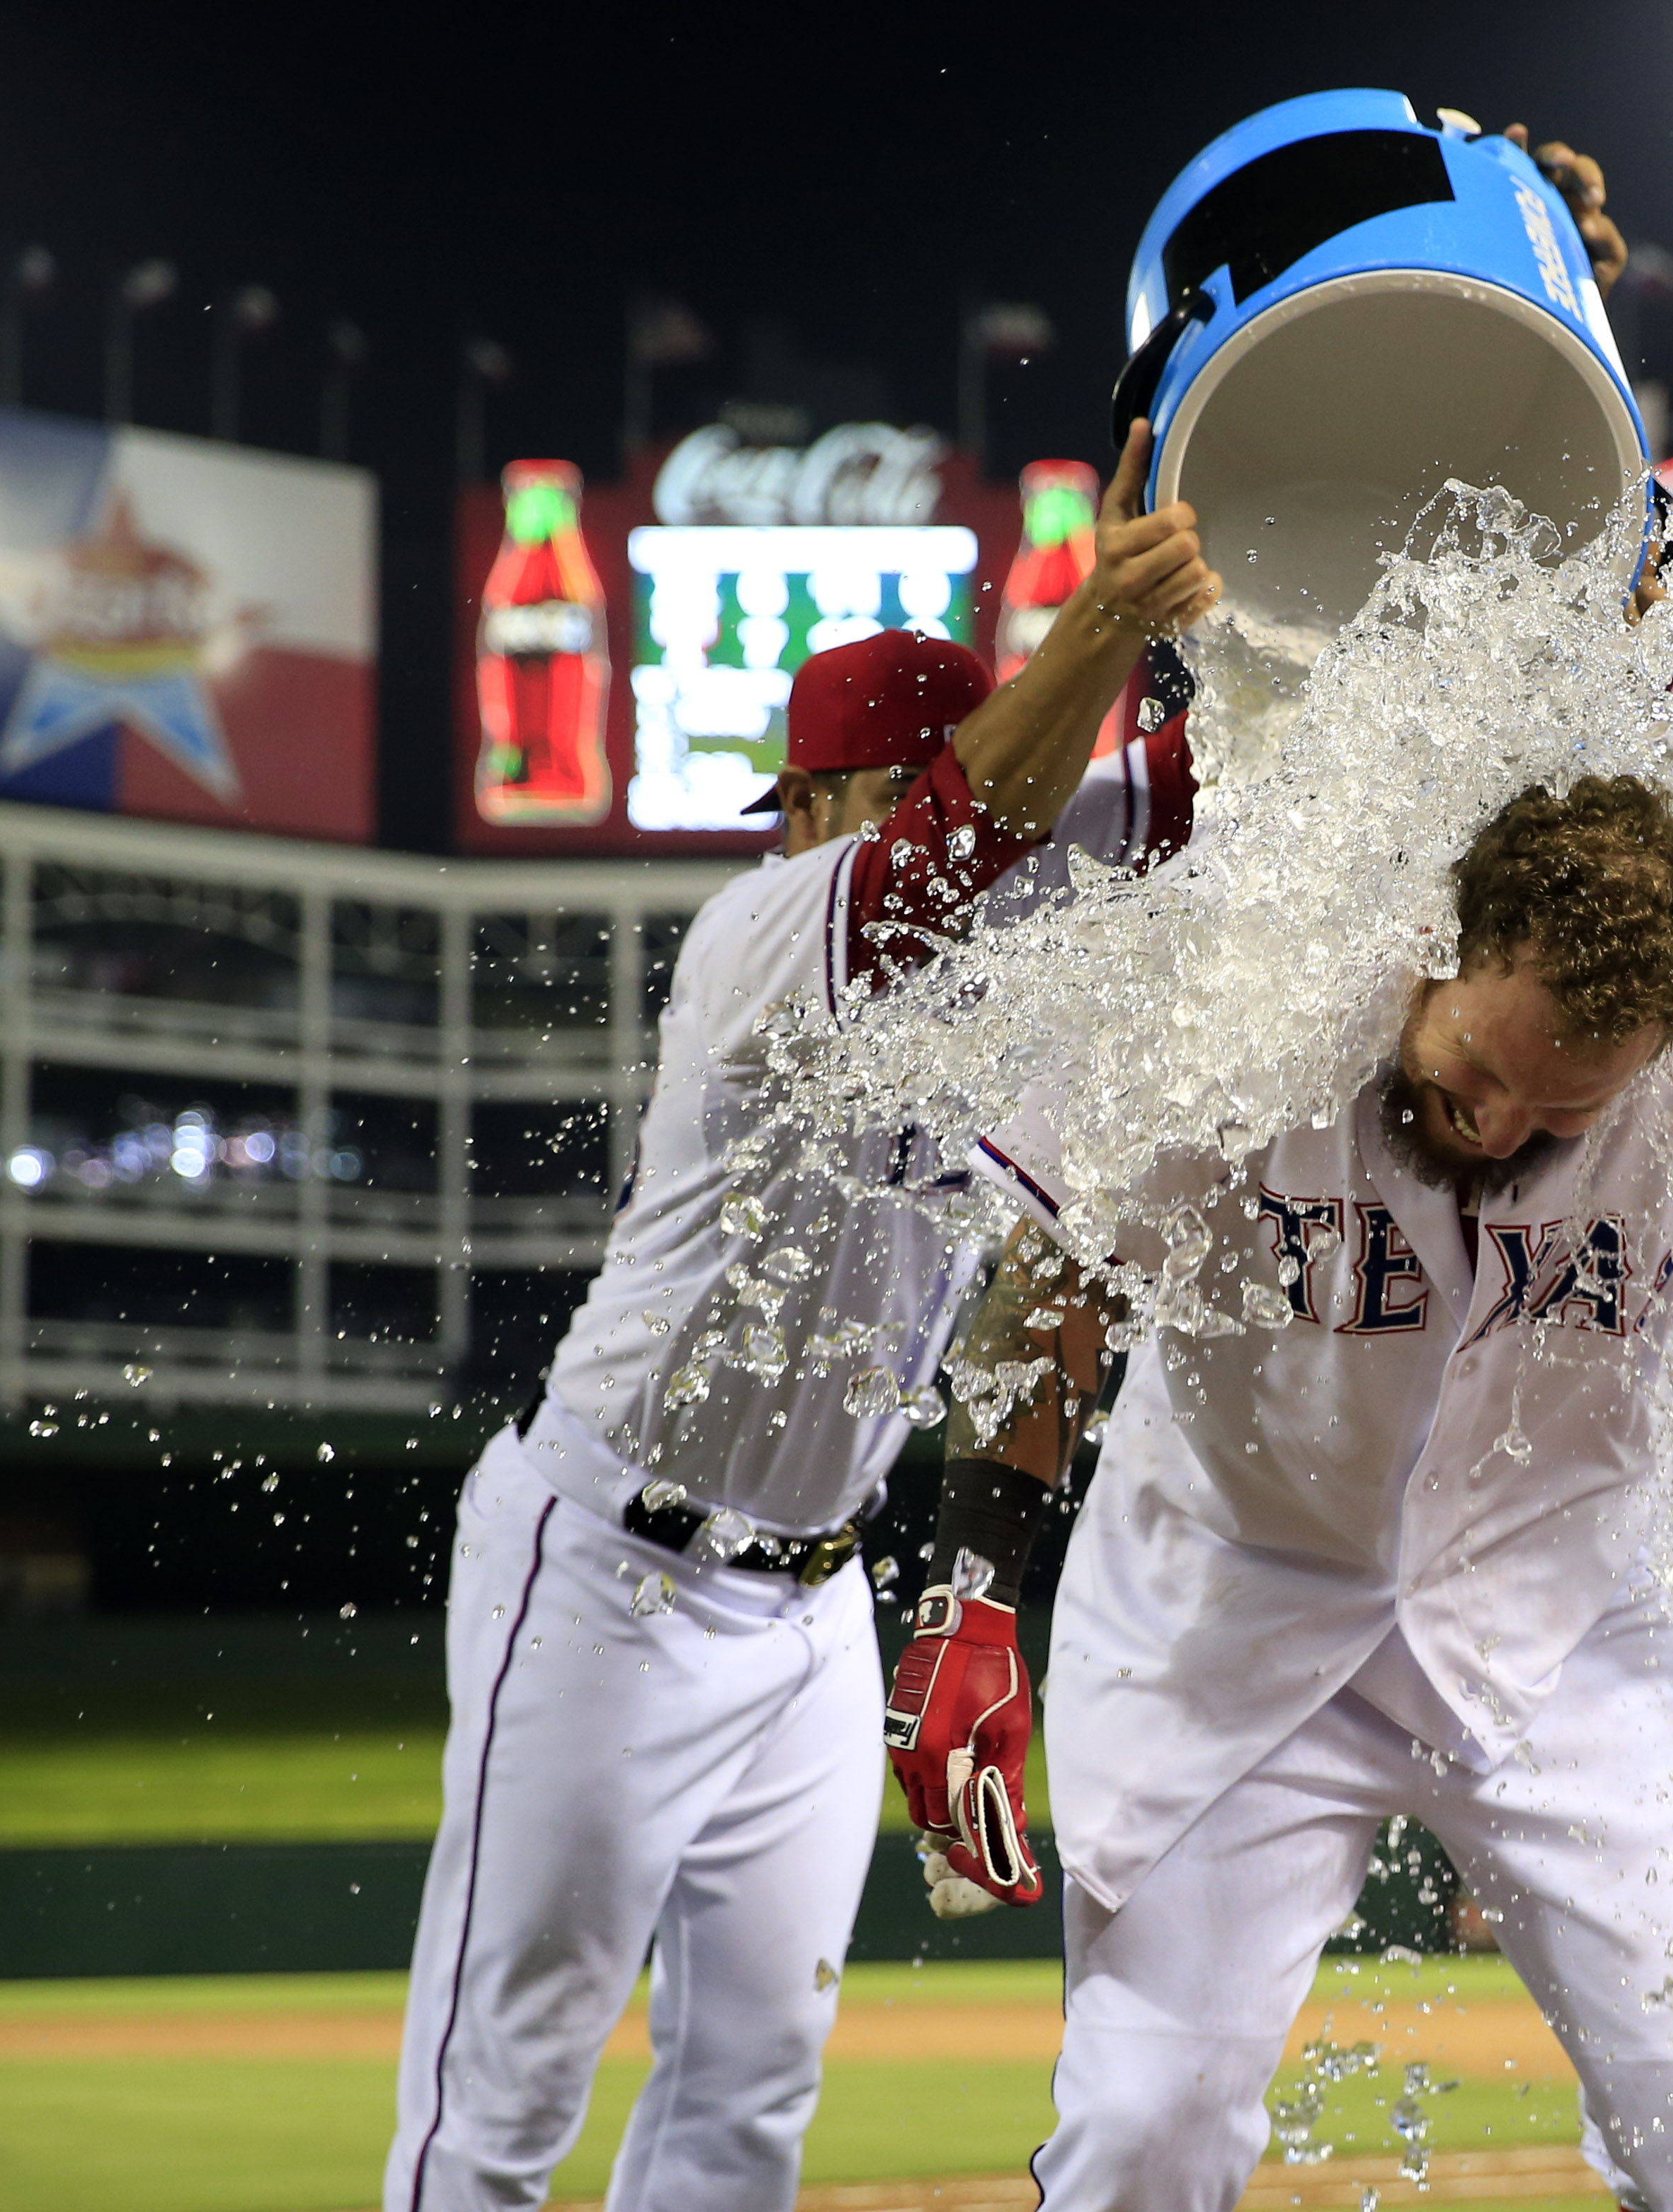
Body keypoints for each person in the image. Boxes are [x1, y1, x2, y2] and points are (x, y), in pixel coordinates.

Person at [887, 671, 1673, 2207]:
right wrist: (968, 1588)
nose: (1501, 1126)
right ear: (1436, 948)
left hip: (1563, 1625)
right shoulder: (1250, 974)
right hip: (1230, 1602)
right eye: (1478, 1071)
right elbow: (1050, 1274)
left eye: (1564, 1110)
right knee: (1143, 2131)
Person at [384, 419, 1217, 2212]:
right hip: (606, 1563)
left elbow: (1215, 785)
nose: (804, 815)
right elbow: (941, 852)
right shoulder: (766, 926)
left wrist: (970, 1593)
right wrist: (1098, 621)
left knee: (751, 2101)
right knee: (499, 2095)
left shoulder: (1015, 994)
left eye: (808, 787)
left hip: (813, 1599)